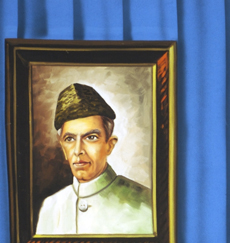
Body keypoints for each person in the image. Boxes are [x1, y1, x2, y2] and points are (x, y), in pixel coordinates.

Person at [35, 83, 153, 235]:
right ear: (63, 148)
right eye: (70, 139)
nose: (78, 150)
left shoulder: (147, 206)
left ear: (109, 145)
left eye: (91, 137)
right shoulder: (50, 208)